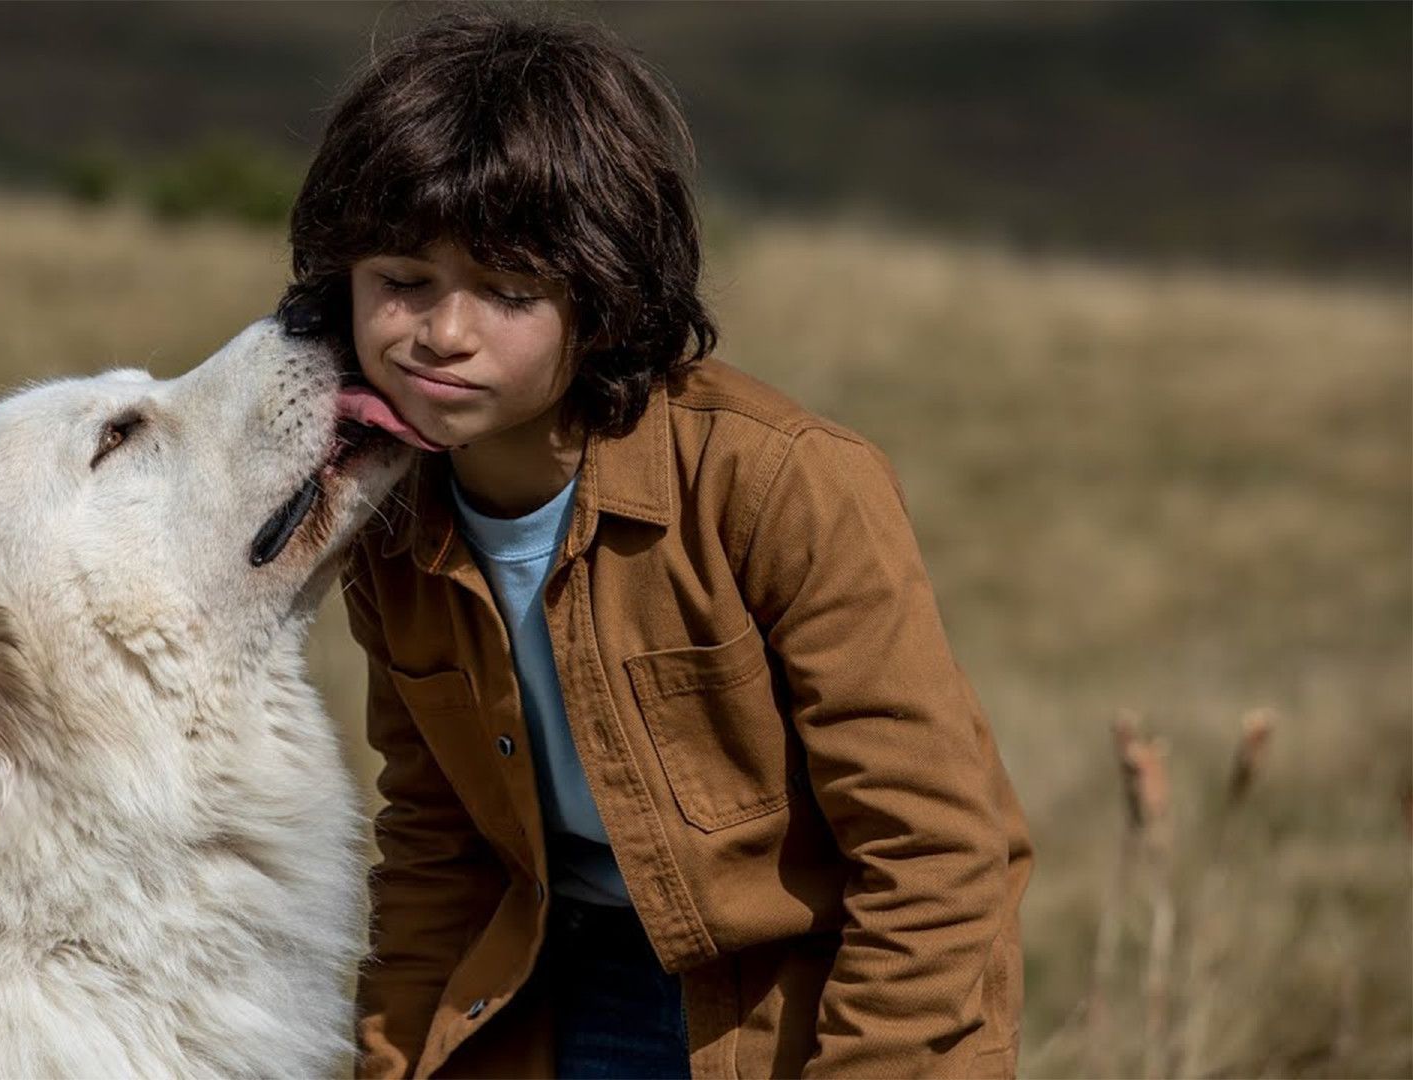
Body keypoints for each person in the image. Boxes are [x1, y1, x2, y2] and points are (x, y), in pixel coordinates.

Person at [275, 7, 1034, 1079]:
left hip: (807, 1003)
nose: (443, 332)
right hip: (552, 988)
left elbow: (937, 853)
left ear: (604, 300)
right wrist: (392, 1063)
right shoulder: (394, 523)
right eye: (402, 279)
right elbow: (436, 849)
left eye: (509, 291)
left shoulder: (779, 482)